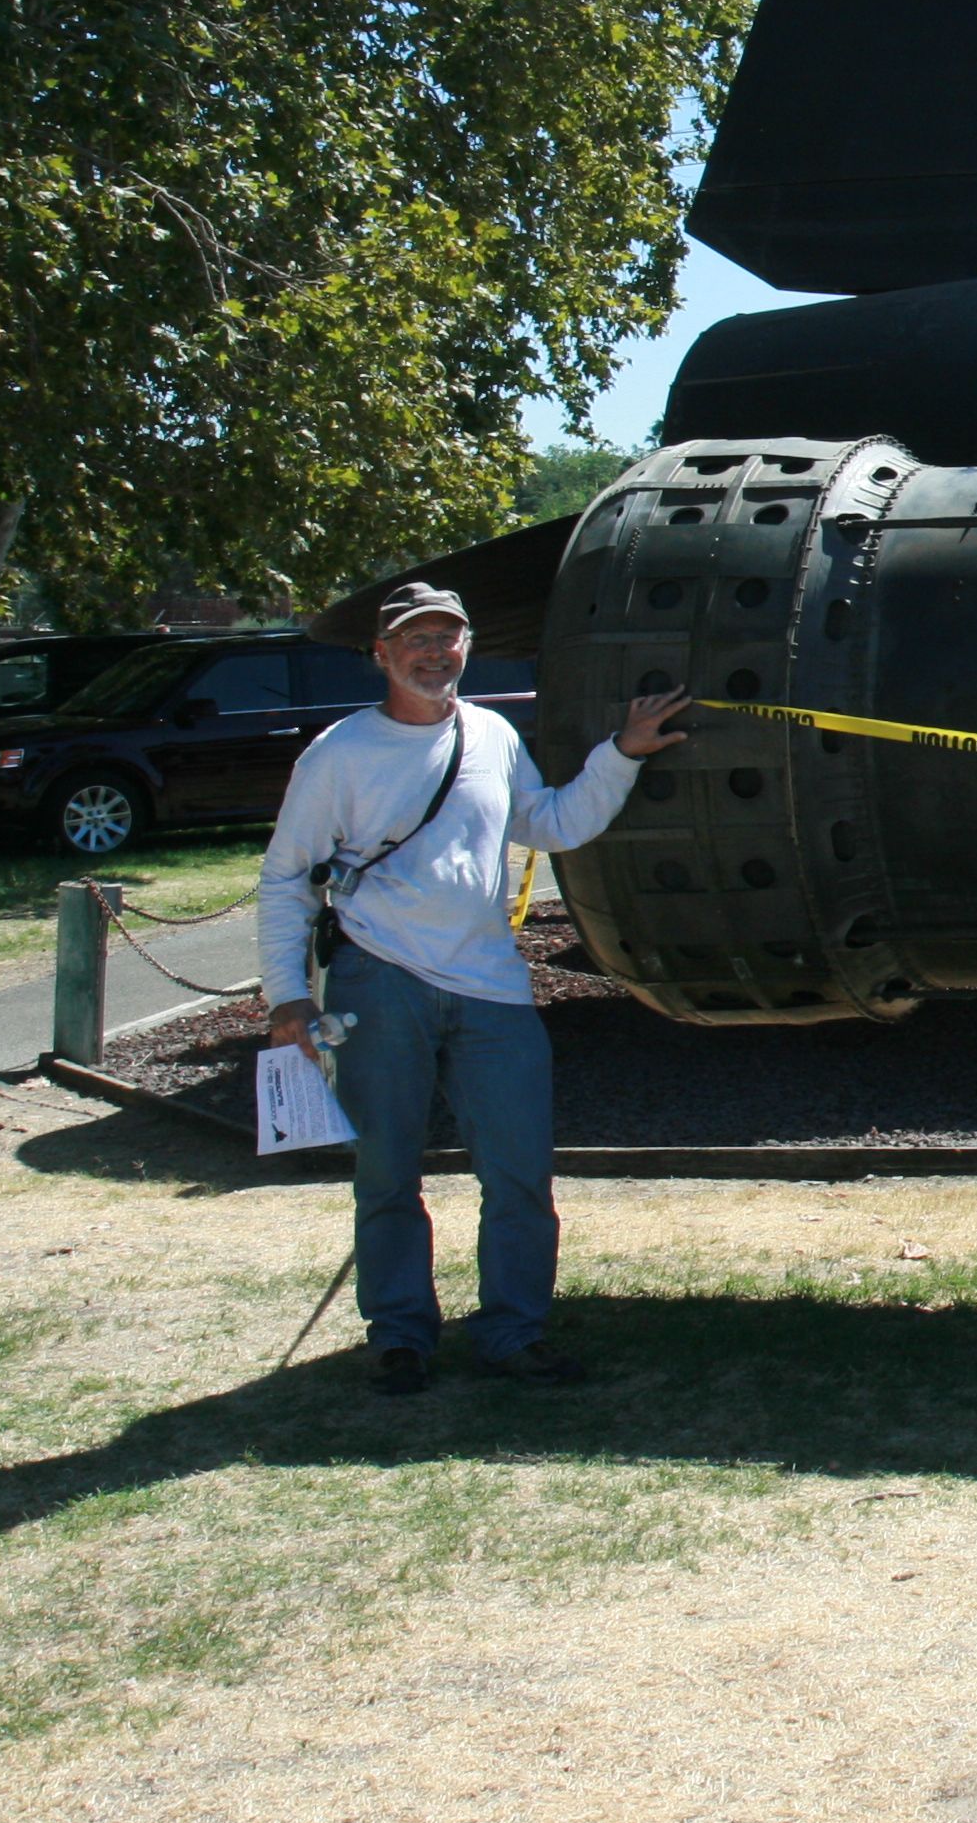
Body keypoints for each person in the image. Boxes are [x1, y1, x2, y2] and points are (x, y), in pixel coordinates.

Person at [259, 582, 689, 1395]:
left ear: (466, 647)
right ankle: (399, 1336)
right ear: (381, 655)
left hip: (491, 985)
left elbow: (553, 823)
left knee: (520, 1170)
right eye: (414, 640)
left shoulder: (490, 734)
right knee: (388, 1170)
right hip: (378, 981)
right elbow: (286, 879)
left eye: (447, 638)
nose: (434, 653)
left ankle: (513, 1333)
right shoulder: (339, 754)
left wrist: (623, 752)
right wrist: (288, 994)